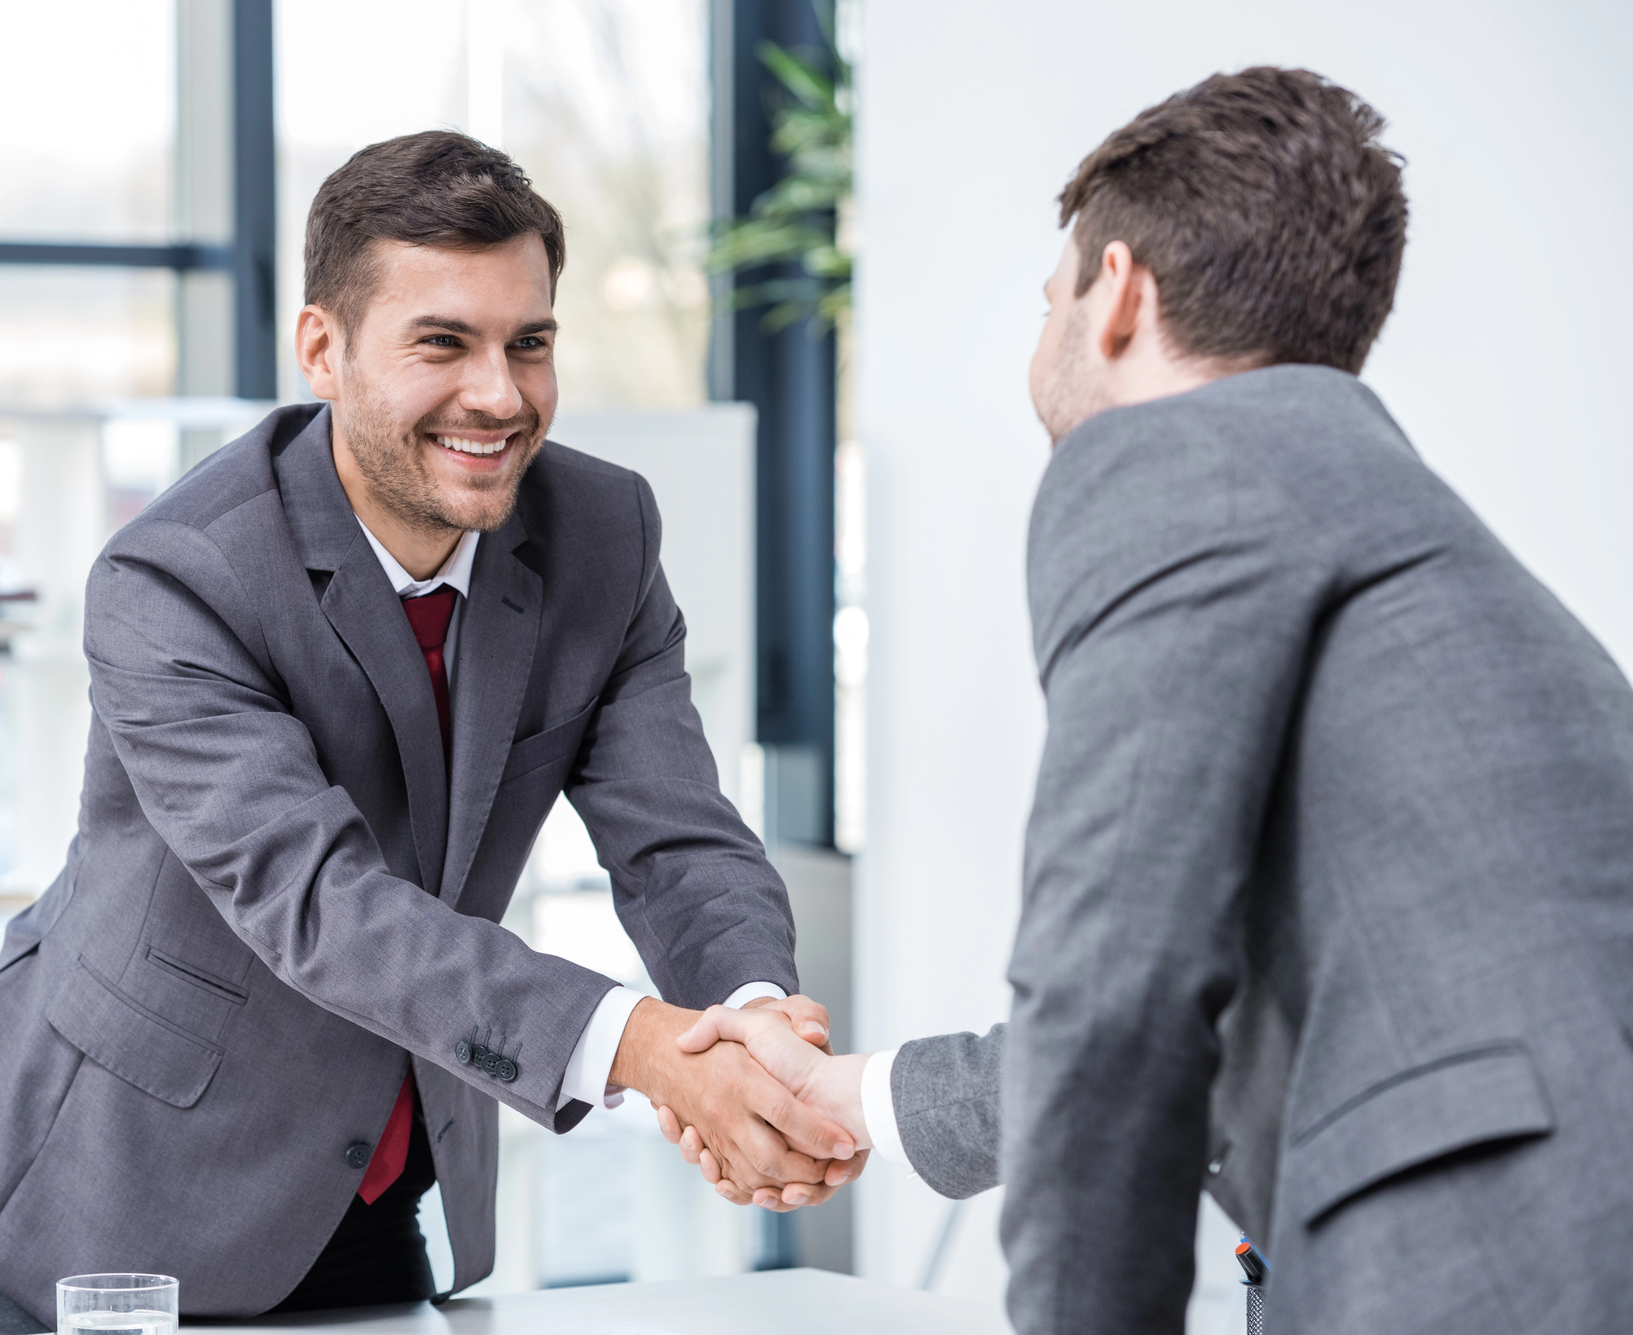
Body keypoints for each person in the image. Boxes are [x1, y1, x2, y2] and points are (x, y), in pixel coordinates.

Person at [666, 67, 1633, 1333]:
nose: (1039, 346)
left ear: (1116, 295)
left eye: (1047, 302)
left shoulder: (1172, 463)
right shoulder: (1411, 540)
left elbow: (1113, 994)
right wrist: (844, 1097)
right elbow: (1236, 1006)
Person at [0, 131, 860, 1333]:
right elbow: (319, 902)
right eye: (441, 342)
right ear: (322, 351)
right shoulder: (176, 577)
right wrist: (648, 1052)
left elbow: (677, 836)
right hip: (125, 1187)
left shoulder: (602, 532)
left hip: (375, 1180)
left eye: (529, 342)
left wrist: (751, 1019)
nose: (498, 395)